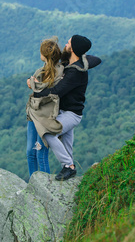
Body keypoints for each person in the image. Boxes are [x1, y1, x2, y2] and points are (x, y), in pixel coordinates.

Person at [33, 35, 101, 181]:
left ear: (74, 48)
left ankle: (68, 166)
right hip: (65, 111)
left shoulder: (76, 72)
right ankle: (70, 168)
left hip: (72, 114)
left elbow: (57, 91)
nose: (65, 44)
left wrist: (35, 91)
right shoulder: (71, 60)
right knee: (66, 145)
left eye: (68, 43)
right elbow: (96, 59)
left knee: (49, 133)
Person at [26, 37, 63, 177]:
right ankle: (33, 184)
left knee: (40, 153)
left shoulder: (58, 72)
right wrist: (32, 82)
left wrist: (33, 83)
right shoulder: (40, 71)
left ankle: (45, 187)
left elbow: (47, 91)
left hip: (45, 118)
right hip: (33, 113)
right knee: (30, 152)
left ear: (45, 55)